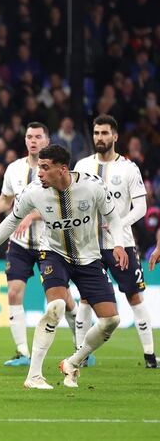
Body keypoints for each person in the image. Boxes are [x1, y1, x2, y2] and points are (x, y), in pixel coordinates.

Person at [0, 145, 128, 389]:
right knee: (55, 306)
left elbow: (113, 218)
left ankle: (72, 362)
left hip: (89, 258)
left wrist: (118, 244)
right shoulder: (33, 192)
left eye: (45, 168)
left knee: (111, 321)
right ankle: (34, 376)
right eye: (38, 167)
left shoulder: (92, 186)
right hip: (54, 253)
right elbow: (10, 221)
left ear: (62, 169)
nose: (39, 173)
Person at [0, 122, 77, 366]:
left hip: (49, 242)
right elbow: (4, 202)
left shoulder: (56, 169)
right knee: (13, 292)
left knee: (63, 299)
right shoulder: (13, 169)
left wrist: (32, 215)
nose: (33, 141)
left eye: (38, 137)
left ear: (47, 140)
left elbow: (66, 203)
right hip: (20, 243)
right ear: (25, 140)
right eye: (29, 137)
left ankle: (82, 344)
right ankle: (23, 352)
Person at [68, 115, 154, 368]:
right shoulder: (82, 166)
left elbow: (141, 207)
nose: (100, 138)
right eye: (96, 133)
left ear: (115, 136)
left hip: (122, 244)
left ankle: (150, 356)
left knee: (134, 297)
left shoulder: (128, 168)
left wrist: (119, 224)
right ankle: (80, 354)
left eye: (105, 133)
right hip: (89, 246)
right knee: (85, 298)